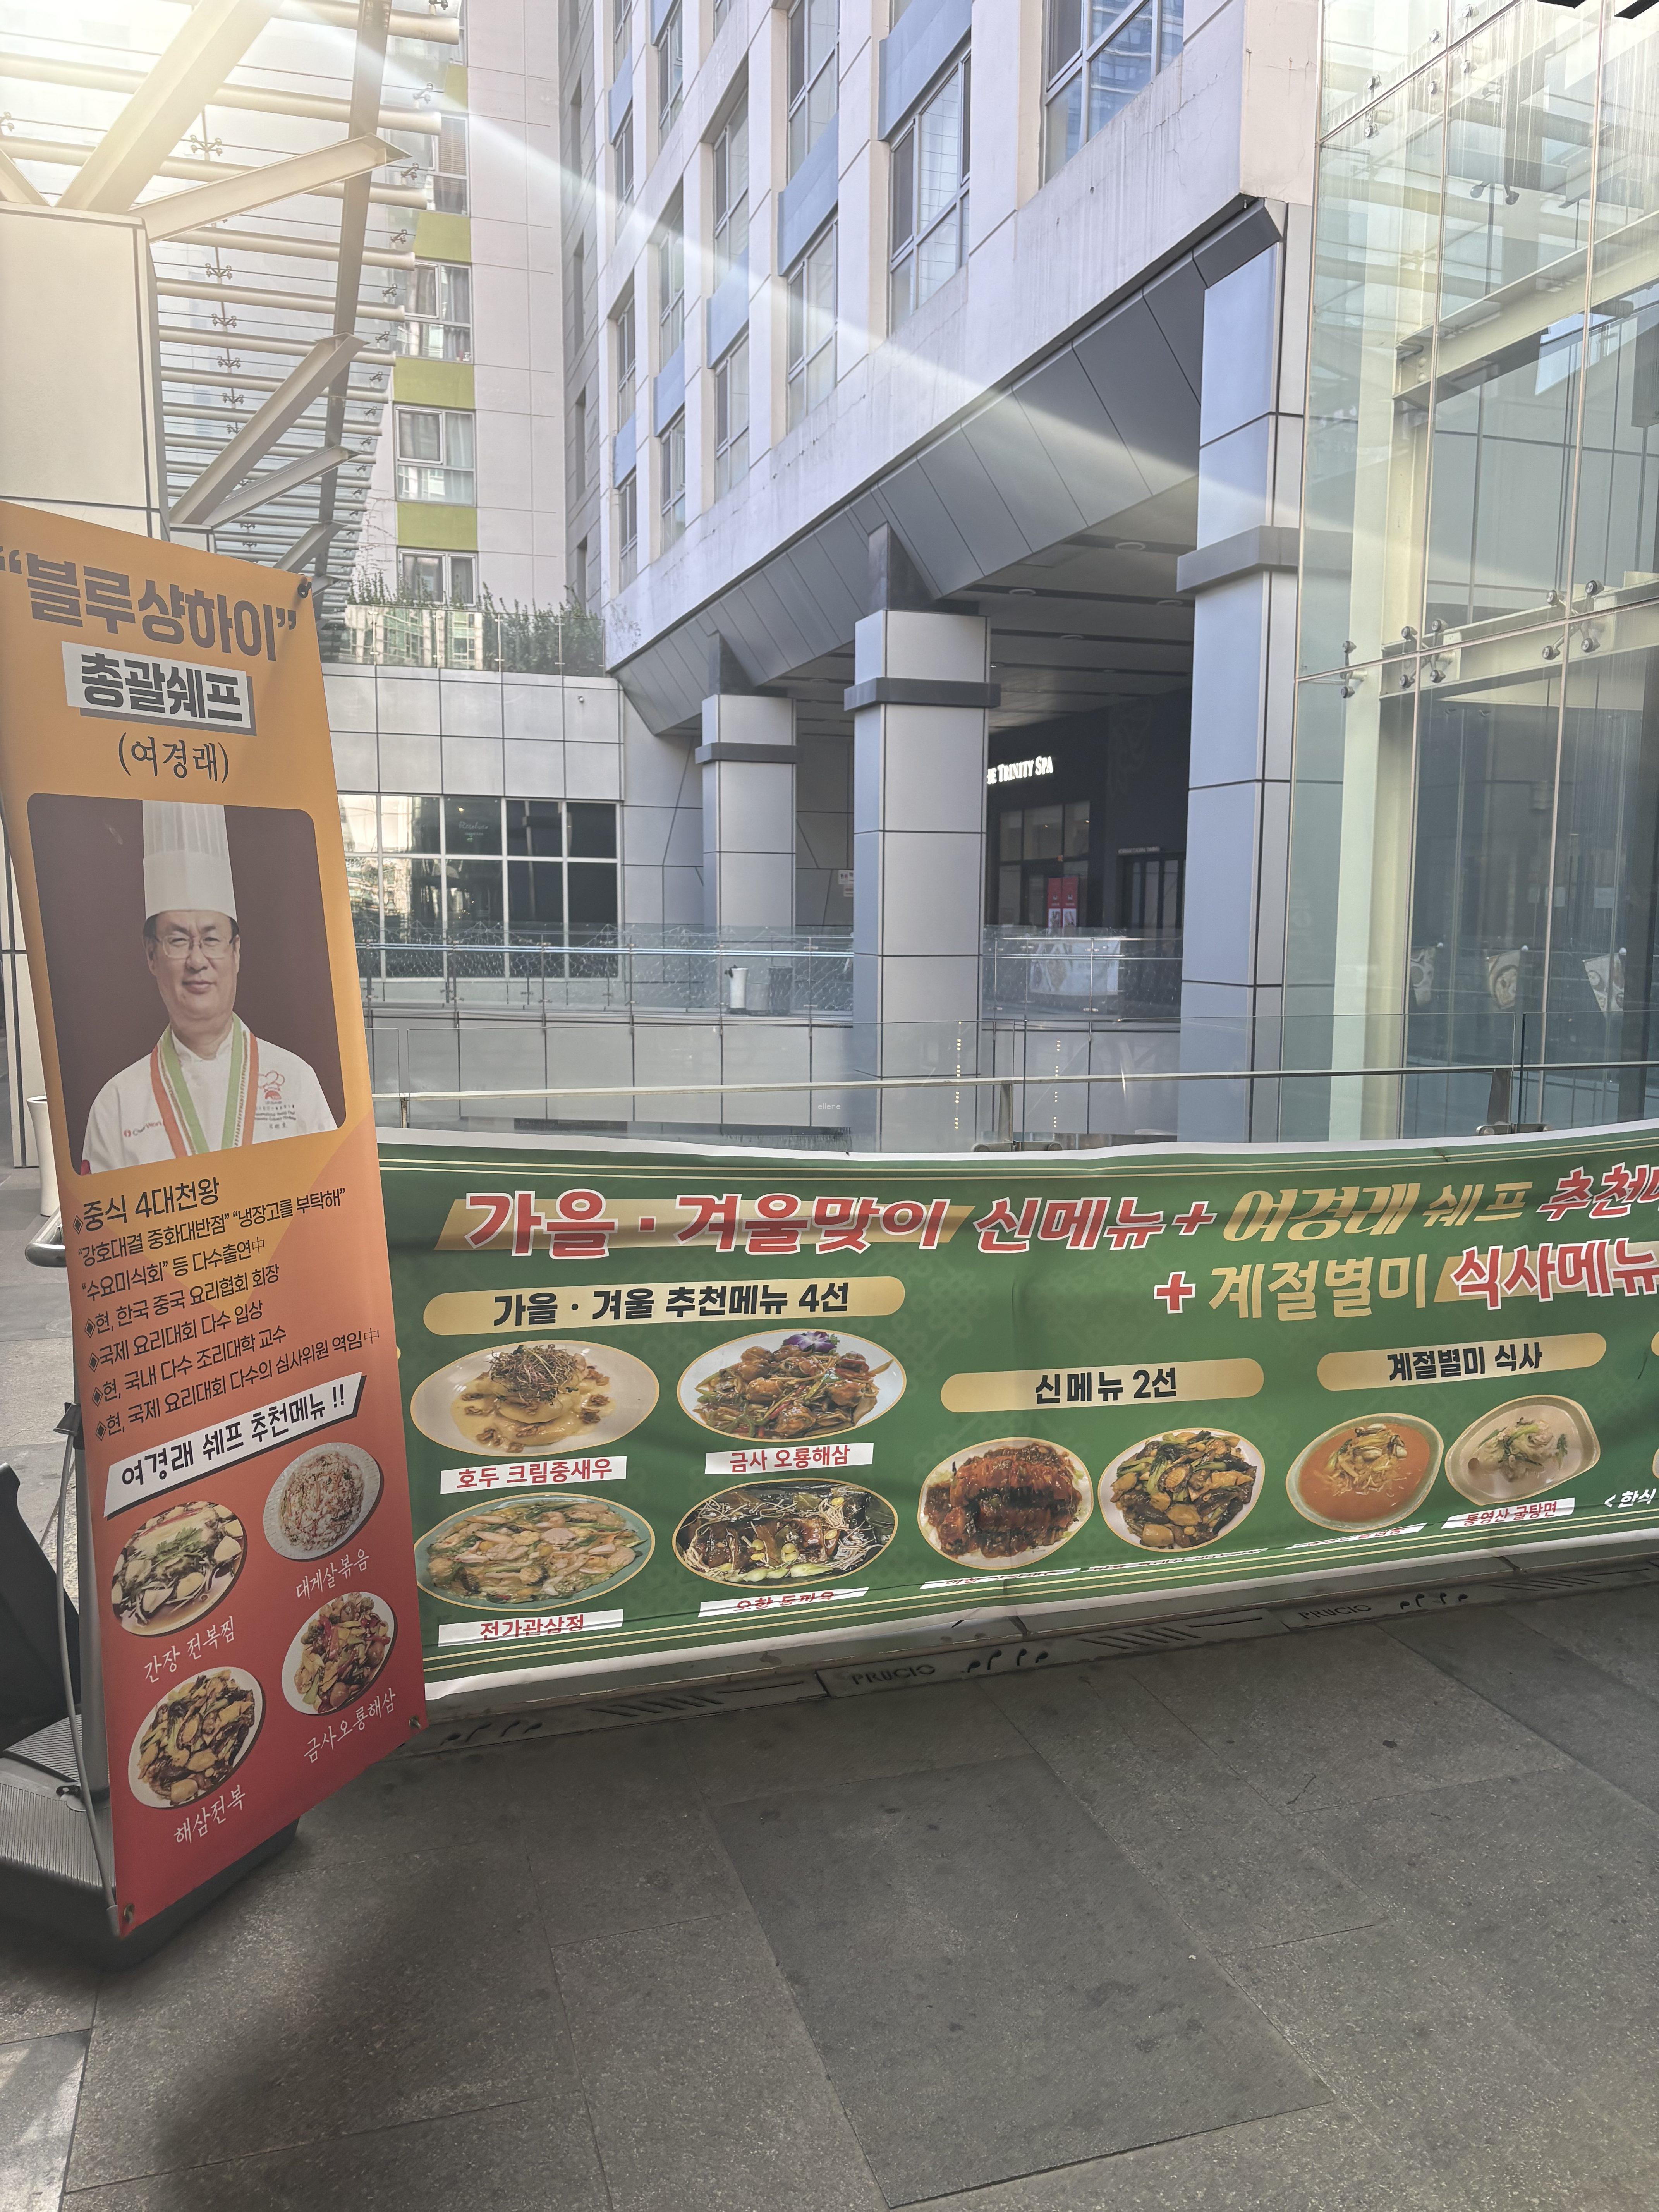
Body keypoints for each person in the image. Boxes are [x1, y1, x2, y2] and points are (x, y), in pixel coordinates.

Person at [79, 802, 337, 1173]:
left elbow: (332, 1194)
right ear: (151, 956)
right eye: (178, 940)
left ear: (236, 952)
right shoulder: (115, 1105)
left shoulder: (297, 1082)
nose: (197, 960)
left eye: (212, 939)